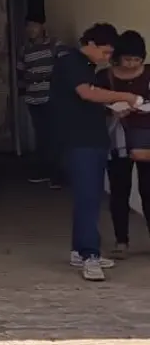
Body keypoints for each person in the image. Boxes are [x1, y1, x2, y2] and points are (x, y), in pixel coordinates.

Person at [50, 22, 143, 281]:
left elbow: (88, 102)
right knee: (88, 198)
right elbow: (86, 93)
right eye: (104, 52)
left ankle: (80, 251)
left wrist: (114, 108)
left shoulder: (88, 66)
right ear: (90, 44)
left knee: (88, 197)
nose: (106, 58)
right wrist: (124, 95)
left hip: (92, 138)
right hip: (78, 140)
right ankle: (90, 256)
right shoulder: (71, 62)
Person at [97, 30, 150, 259]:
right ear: (117, 57)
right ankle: (121, 241)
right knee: (119, 190)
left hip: (147, 137)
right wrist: (112, 111)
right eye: (127, 59)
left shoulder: (148, 74)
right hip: (117, 138)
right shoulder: (104, 77)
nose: (131, 64)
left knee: (149, 190)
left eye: (137, 60)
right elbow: (94, 102)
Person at [16, 17, 69, 187]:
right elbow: (21, 73)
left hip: (52, 97)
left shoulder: (55, 44)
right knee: (42, 136)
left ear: (42, 26)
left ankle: (57, 175)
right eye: (28, 26)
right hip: (33, 98)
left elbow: (65, 66)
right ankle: (45, 171)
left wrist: (48, 78)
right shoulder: (25, 49)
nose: (31, 29)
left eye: (34, 26)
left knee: (54, 135)